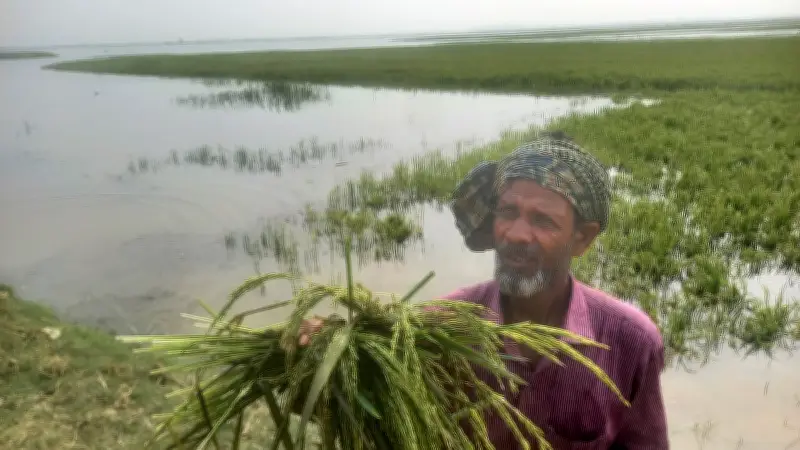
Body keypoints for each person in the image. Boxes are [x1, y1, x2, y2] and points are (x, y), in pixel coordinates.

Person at [299, 131, 669, 449]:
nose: (516, 234)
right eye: (508, 212)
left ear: (582, 238)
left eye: (543, 220)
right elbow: (365, 418)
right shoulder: (434, 329)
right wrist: (323, 359)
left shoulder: (629, 342)